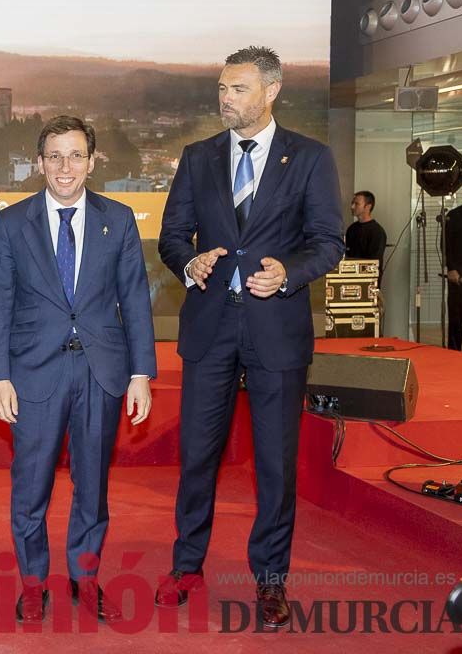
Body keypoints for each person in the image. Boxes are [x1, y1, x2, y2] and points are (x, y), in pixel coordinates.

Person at [156, 46, 344, 628]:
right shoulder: (197, 157)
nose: (225, 98)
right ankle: (187, 565)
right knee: (197, 458)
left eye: (236, 89)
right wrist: (190, 265)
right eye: (221, 88)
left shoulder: (310, 158)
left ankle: (270, 581)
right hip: (210, 329)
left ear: (272, 90)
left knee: (274, 464)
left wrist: (290, 273)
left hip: (276, 331)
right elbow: (171, 237)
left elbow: (328, 243)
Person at [0, 116, 156, 624]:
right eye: (55, 156)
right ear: (40, 163)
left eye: (76, 155)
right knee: (30, 486)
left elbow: (135, 300)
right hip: (33, 374)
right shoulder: (12, 223)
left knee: (92, 488)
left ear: (92, 161)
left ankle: (85, 578)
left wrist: (141, 373)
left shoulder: (119, 219)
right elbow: (0, 303)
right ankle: (33, 583)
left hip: (102, 374)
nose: (65, 167)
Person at [444, 176, 462, 351]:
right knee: (456, 319)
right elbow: (446, 245)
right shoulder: (454, 215)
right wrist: (451, 269)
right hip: (459, 274)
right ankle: (452, 357)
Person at [345, 191, 387, 282]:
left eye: (356, 204)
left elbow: (374, 263)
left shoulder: (377, 232)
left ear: (368, 206)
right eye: (352, 203)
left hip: (368, 282)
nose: (352, 207)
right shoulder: (351, 229)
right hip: (350, 280)